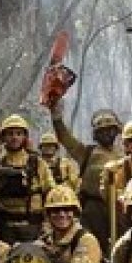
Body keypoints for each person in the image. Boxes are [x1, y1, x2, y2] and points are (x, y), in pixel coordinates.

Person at [51, 105, 124, 253]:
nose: (106, 134)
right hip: (93, 209)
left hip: (119, 208)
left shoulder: (125, 154)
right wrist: (57, 118)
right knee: (92, 246)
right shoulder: (87, 153)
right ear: (95, 134)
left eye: (110, 129)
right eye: (102, 131)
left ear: (117, 131)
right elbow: (66, 139)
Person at [0, 114, 55, 243]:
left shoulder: (37, 163)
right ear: (3, 137)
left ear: (25, 137)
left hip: (32, 227)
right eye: (10, 134)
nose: (14, 137)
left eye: (19, 134)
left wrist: (48, 224)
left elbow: (51, 194)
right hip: (5, 228)